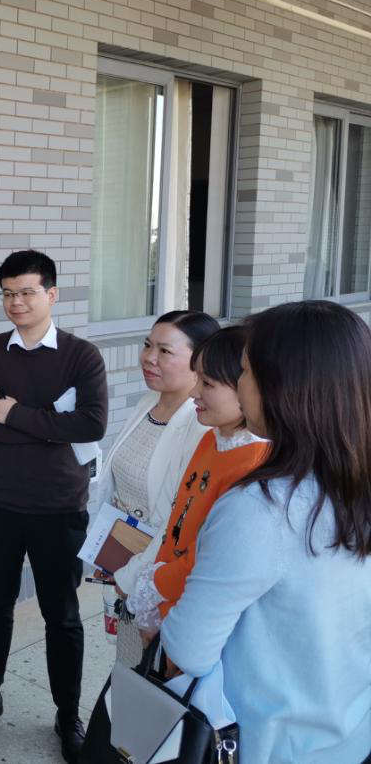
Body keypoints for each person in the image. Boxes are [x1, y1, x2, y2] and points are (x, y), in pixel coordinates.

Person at [160, 301, 371, 764]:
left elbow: (188, 647)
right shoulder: (349, 486)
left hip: (266, 743)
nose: (239, 383)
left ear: (283, 386)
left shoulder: (262, 507)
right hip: (349, 735)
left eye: (244, 371)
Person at [0, 250, 107, 764]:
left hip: (59, 508)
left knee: (62, 616)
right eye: (7, 293)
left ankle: (67, 714)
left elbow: (90, 424)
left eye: (26, 292)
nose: (16, 302)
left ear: (52, 294)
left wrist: (15, 414)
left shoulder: (82, 356)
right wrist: (47, 427)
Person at [89, 309, 218, 667]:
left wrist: (132, 577)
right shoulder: (147, 403)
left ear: (200, 360)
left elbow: (179, 518)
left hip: (157, 575)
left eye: (165, 351)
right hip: (123, 560)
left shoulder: (201, 426)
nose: (149, 357)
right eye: (148, 345)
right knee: (128, 663)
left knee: (154, 673)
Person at [123, 326, 268, 634]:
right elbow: (178, 521)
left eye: (208, 383)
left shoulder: (254, 465)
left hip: (192, 615)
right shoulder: (211, 439)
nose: (193, 392)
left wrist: (153, 588)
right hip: (166, 601)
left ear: (247, 387)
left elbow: (207, 555)